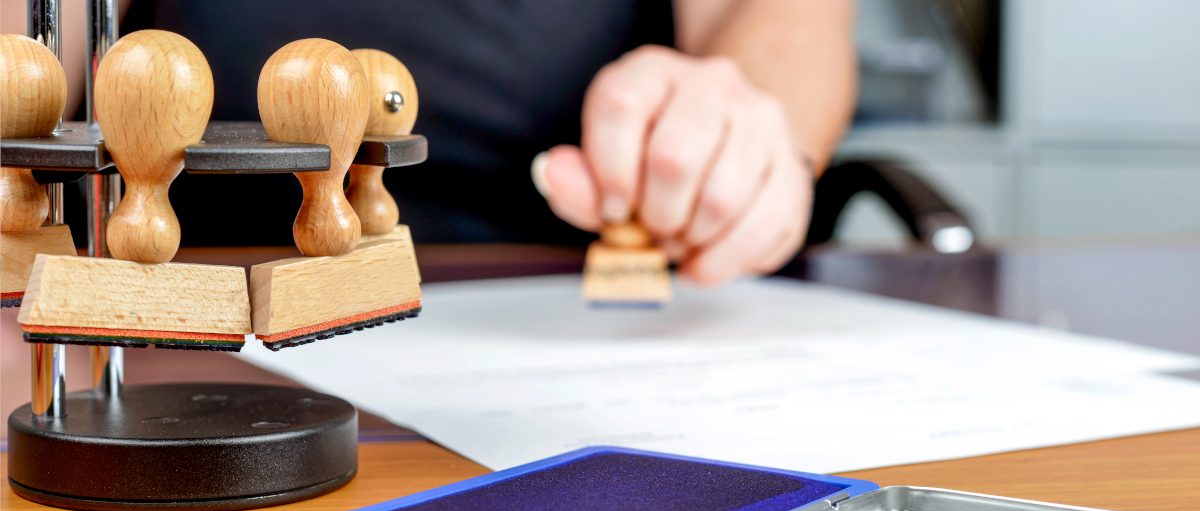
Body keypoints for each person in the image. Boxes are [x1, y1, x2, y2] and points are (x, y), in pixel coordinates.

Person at [5, 0, 856, 286]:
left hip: (571, 280)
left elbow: (784, 21)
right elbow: (31, 64)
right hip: (192, 277)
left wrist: (737, 130)